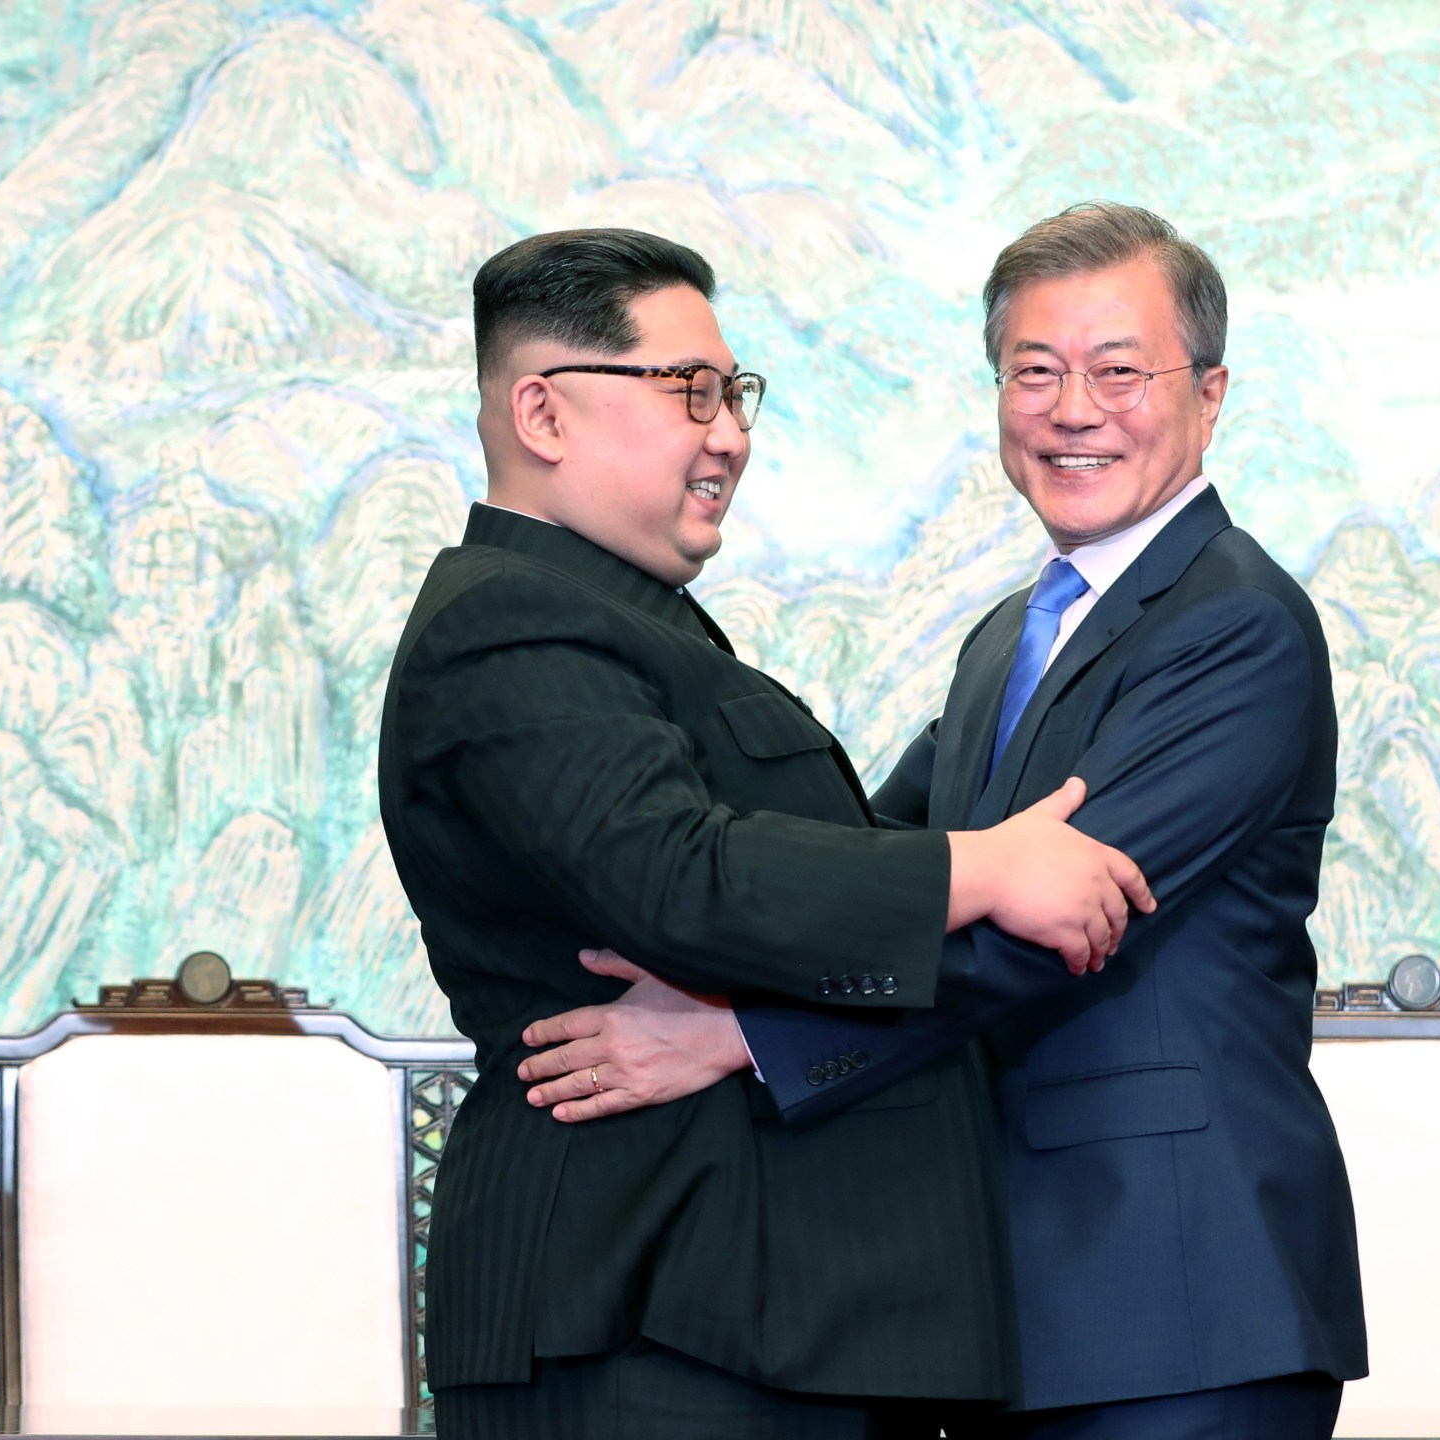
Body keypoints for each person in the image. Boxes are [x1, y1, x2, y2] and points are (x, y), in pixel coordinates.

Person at [519, 202, 1367, 1438]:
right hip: (1000, 1296)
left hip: (1176, 1294)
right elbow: (883, 863)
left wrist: (735, 1037)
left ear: (1211, 392)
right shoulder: (1002, 644)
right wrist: (676, 886)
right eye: (1035, 371)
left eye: (1119, 370)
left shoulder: (1234, 625)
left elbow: (1055, 927)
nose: (1074, 409)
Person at [376, 226, 1156, 1440]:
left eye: (733, 393)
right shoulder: (513, 625)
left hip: (747, 1326)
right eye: (688, 390)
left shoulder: (634, 626)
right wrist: (984, 867)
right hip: (652, 1314)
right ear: (542, 414)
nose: (729, 433)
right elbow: (682, 878)